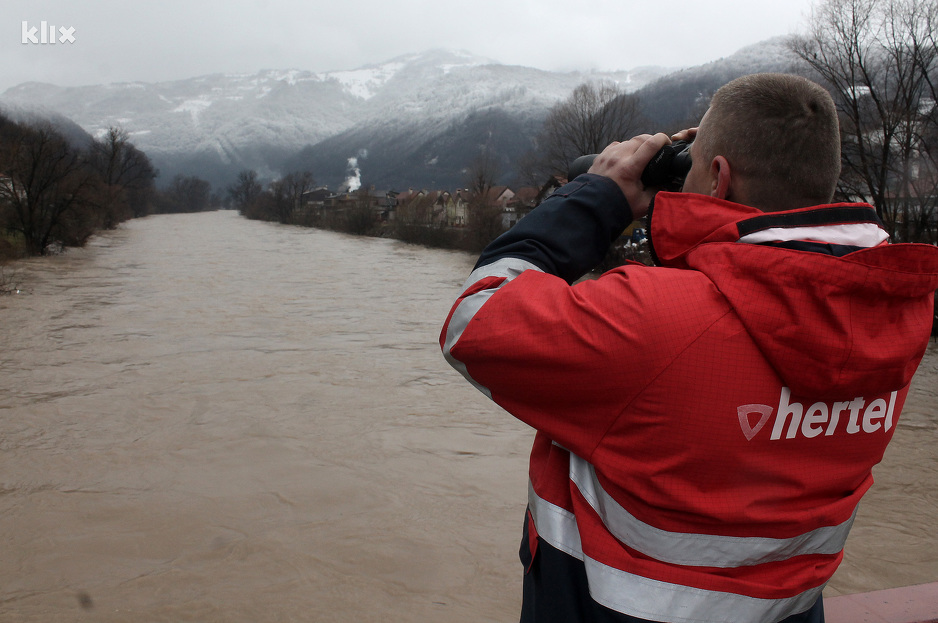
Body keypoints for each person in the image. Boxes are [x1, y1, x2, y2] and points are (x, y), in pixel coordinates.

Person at [439, 73, 938, 623]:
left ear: (719, 178)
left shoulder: (651, 323)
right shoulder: (892, 317)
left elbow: (473, 319)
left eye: (694, 167)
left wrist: (596, 196)